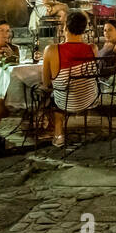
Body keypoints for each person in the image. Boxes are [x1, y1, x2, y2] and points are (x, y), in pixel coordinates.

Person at [41, 11, 98, 147]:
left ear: (65, 27)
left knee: (46, 92)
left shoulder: (51, 50)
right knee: (63, 89)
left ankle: (58, 133)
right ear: (84, 29)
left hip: (65, 102)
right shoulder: (93, 48)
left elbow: (46, 82)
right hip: (89, 98)